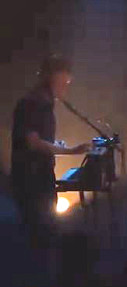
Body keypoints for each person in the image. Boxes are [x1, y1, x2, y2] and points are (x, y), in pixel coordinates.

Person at [11, 54, 91, 247]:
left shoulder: (43, 104)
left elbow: (38, 140)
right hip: (32, 182)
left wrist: (58, 145)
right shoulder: (33, 103)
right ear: (52, 76)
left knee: (45, 235)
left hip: (39, 179)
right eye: (65, 79)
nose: (67, 84)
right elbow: (33, 143)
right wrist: (70, 151)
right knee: (40, 236)